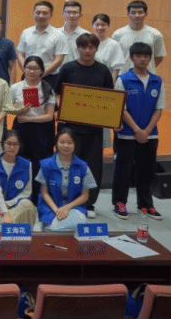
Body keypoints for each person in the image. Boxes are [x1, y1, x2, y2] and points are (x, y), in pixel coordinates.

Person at [55, 32, 114, 218]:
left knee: (93, 166)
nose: (87, 51)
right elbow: (58, 94)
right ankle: (66, 200)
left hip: (94, 129)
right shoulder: (68, 68)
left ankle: (89, 204)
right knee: (68, 164)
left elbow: (109, 99)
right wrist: (62, 110)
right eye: (84, 47)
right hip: (70, 128)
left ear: (96, 49)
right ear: (78, 48)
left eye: (91, 47)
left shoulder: (103, 70)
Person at [112, 42, 165, 221]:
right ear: (132, 57)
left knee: (147, 171)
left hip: (150, 135)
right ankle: (120, 202)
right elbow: (121, 109)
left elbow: (159, 108)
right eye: (138, 56)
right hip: (127, 134)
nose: (142, 59)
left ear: (150, 59)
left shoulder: (157, 81)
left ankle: (146, 204)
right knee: (123, 171)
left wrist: (147, 131)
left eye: (146, 56)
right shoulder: (123, 80)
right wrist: (136, 129)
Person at [9, 56, 56, 200]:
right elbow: (6, 108)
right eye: (29, 67)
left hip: (41, 131)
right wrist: (18, 111)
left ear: (41, 71)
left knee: (39, 164)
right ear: (24, 69)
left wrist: (28, 118)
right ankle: (19, 196)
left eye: (36, 68)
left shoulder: (47, 89)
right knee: (20, 161)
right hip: (21, 129)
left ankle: (37, 197)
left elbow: (49, 116)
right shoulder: (15, 87)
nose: (32, 71)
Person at [37, 127, 96, 231]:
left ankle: (50, 228)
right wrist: (57, 210)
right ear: (56, 143)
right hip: (51, 207)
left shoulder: (83, 166)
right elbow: (44, 193)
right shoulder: (46, 165)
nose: (65, 146)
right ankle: (52, 227)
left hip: (73, 207)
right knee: (59, 225)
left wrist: (66, 208)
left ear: (75, 144)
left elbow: (85, 196)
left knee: (80, 222)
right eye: (62, 142)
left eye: (69, 142)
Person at [0, 129, 37, 226]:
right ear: (2, 144)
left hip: (16, 206)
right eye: (8, 143)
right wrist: (5, 212)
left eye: (15, 144)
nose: (12, 147)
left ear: (19, 146)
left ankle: (23, 234)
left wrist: (9, 204)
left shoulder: (27, 165)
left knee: (27, 205)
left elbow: (27, 192)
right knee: (5, 222)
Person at [17, 1, 67, 85]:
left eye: (45, 13)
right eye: (38, 13)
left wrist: (40, 74)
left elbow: (58, 60)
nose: (41, 16)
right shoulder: (26, 32)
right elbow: (20, 54)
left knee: (48, 95)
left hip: (49, 78)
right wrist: (27, 71)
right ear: (33, 14)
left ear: (51, 15)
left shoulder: (59, 35)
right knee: (29, 94)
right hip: (28, 77)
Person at [112, 0, 167, 74]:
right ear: (128, 14)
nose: (137, 15)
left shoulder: (156, 34)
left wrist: (144, 68)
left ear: (146, 14)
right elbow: (114, 57)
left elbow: (159, 57)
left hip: (147, 76)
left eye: (140, 12)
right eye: (133, 13)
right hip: (123, 76)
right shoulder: (118, 34)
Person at [91, 13, 124, 82]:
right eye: (97, 25)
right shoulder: (87, 42)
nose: (100, 28)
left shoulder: (114, 44)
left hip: (105, 81)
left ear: (108, 26)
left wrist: (111, 85)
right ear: (92, 26)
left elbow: (116, 69)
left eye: (103, 25)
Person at [57, 0, 89, 65]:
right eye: (68, 12)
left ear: (80, 15)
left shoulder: (86, 35)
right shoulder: (56, 33)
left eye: (75, 12)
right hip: (57, 70)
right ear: (63, 14)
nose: (71, 15)